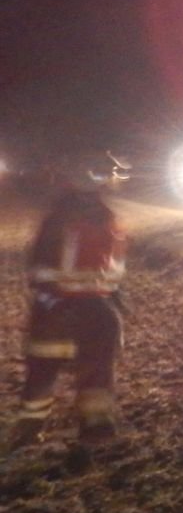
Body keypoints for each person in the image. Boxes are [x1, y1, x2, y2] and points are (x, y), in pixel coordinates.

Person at [9, 187, 127, 449]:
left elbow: (37, 269)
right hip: (99, 312)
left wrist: (47, 293)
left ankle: (29, 428)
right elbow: (117, 272)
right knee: (97, 374)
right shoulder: (111, 222)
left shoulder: (56, 222)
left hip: (55, 311)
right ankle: (96, 429)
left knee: (42, 370)